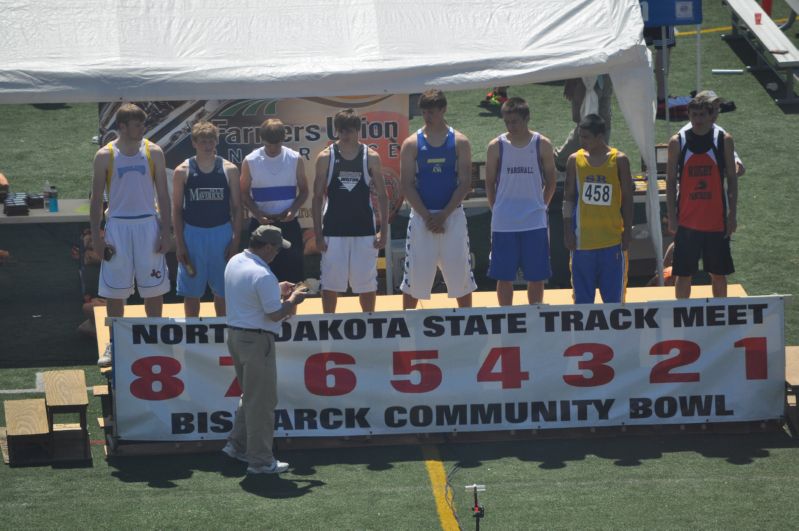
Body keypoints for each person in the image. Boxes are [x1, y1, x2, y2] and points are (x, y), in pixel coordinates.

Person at [222, 224, 308, 475]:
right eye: (277, 249)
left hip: (236, 337)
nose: (278, 253)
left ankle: (236, 446)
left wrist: (276, 289)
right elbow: (274, 315)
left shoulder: (236, 261)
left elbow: (250, 293)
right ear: (268, 247)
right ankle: (260, 461)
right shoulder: (262, 275)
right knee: (261, 403)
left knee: (250, 396)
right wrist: (293, 300)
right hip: (257, 342)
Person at [90, 103, 172, 367]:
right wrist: (97, 237)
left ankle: (156, 337)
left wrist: (166, 232)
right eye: (137, 125)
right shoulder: (105, 155)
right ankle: (115, 342)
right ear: (122, 127)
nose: (142, 129)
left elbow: (163, 195)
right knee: (115, 291)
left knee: (154, 288)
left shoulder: (153, 152)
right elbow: (95, 201)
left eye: (143, 124)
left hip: (148, 225)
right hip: (118, 227)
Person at [399, 89, 477, 309]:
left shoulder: (460, 141)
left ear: (443, 110)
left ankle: (468, 324)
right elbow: (407, 184)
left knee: (461, 277)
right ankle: (406, 328)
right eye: (424, 112)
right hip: (422, 218)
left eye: (432, 112)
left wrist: (443, 215)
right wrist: (428, 217)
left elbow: (464, 183)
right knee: (413, 279)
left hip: (451, 217)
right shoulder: (412, 143)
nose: (427, 116)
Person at [312, 108, 388, 313]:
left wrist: (384, 231)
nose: (346, 135)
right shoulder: (325, 157)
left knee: (367, 284)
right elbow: (317, 198)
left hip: (364, 230)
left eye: (350, 131)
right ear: (336, 131)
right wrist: (318, 235)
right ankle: (329, 324)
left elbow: (382, 195)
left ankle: (369, 322)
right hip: (333, 231)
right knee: (330, 284)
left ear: (358, 131)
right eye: (342, 131)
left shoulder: (370, 157)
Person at [485, 97, 556, 305]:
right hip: (504, 222)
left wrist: (542, 205)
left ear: (526, 119)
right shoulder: (496, 146)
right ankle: (506, 316)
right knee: (503, 276)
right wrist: (496, 208)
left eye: (515, 121)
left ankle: (535, 315)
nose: (510, 126)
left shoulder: (542, 144)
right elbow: (489, 182)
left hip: (534, 221)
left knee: (536, 276)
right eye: (507, 122)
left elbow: (551, 180)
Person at [666, 93, 737, 299]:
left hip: (716, 222)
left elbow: (732, 178)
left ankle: (720, 315)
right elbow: (670, 182)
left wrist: (732, 215)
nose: (698, 119)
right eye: (694, 114)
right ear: (688, 114)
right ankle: (681, 315)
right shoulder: (677, 142)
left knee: (718, 273)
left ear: (710, 116)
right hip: (687, 222)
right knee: (683, 273)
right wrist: (672, 215)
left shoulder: (723, 140)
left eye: (702, 115)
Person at [172, 121, 242, 317]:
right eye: (202, 141)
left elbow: (237, 208)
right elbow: (176, 210)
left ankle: (224, 332)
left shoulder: (230, 169)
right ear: (194, 143)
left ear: (216, 141)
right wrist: (180, 244)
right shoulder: (182, 170)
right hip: (193, 234)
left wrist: (235, 242)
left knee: (223, 290)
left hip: (222, 233)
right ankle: (193, 334)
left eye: (211, 140)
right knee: (191, 292)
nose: (207, 145)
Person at [563, 114, 633, 304]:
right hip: (582, 244)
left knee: (614, 301)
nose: (581, 141)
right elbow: (568, 199)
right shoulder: (574, 160)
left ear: (600, 136)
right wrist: (567, 230)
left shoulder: (619, 160)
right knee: (583, 302)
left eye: (586, 137)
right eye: (580, 136)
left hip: (611, 242)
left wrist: (627, 232)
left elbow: (627, 199)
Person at [240, 118, 309, 284]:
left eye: (276, 144)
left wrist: (293, 210)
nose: (272, 148)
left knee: (292, 276)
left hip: (288, 224)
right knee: (259, 275)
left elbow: (304, 190)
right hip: (261, 226)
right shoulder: (251, 160)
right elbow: (243, 193)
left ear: (283, 140)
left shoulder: (294, 158)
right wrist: (257, 214)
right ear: (262, 140)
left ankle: (290, 309)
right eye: (268, 144)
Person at [678, 90, 745, 178]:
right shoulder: (682, 136)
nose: (716, 113)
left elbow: (735, 161)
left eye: (717, 109)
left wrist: (736, 165)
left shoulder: (721, 133)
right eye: (712, 109)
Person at [554, 75, 613, 171]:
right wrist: (572, 77)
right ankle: (561, 159)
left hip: (605, 75)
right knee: (585, 124)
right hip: (585, 79)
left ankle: (601, 159)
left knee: (604, 124)